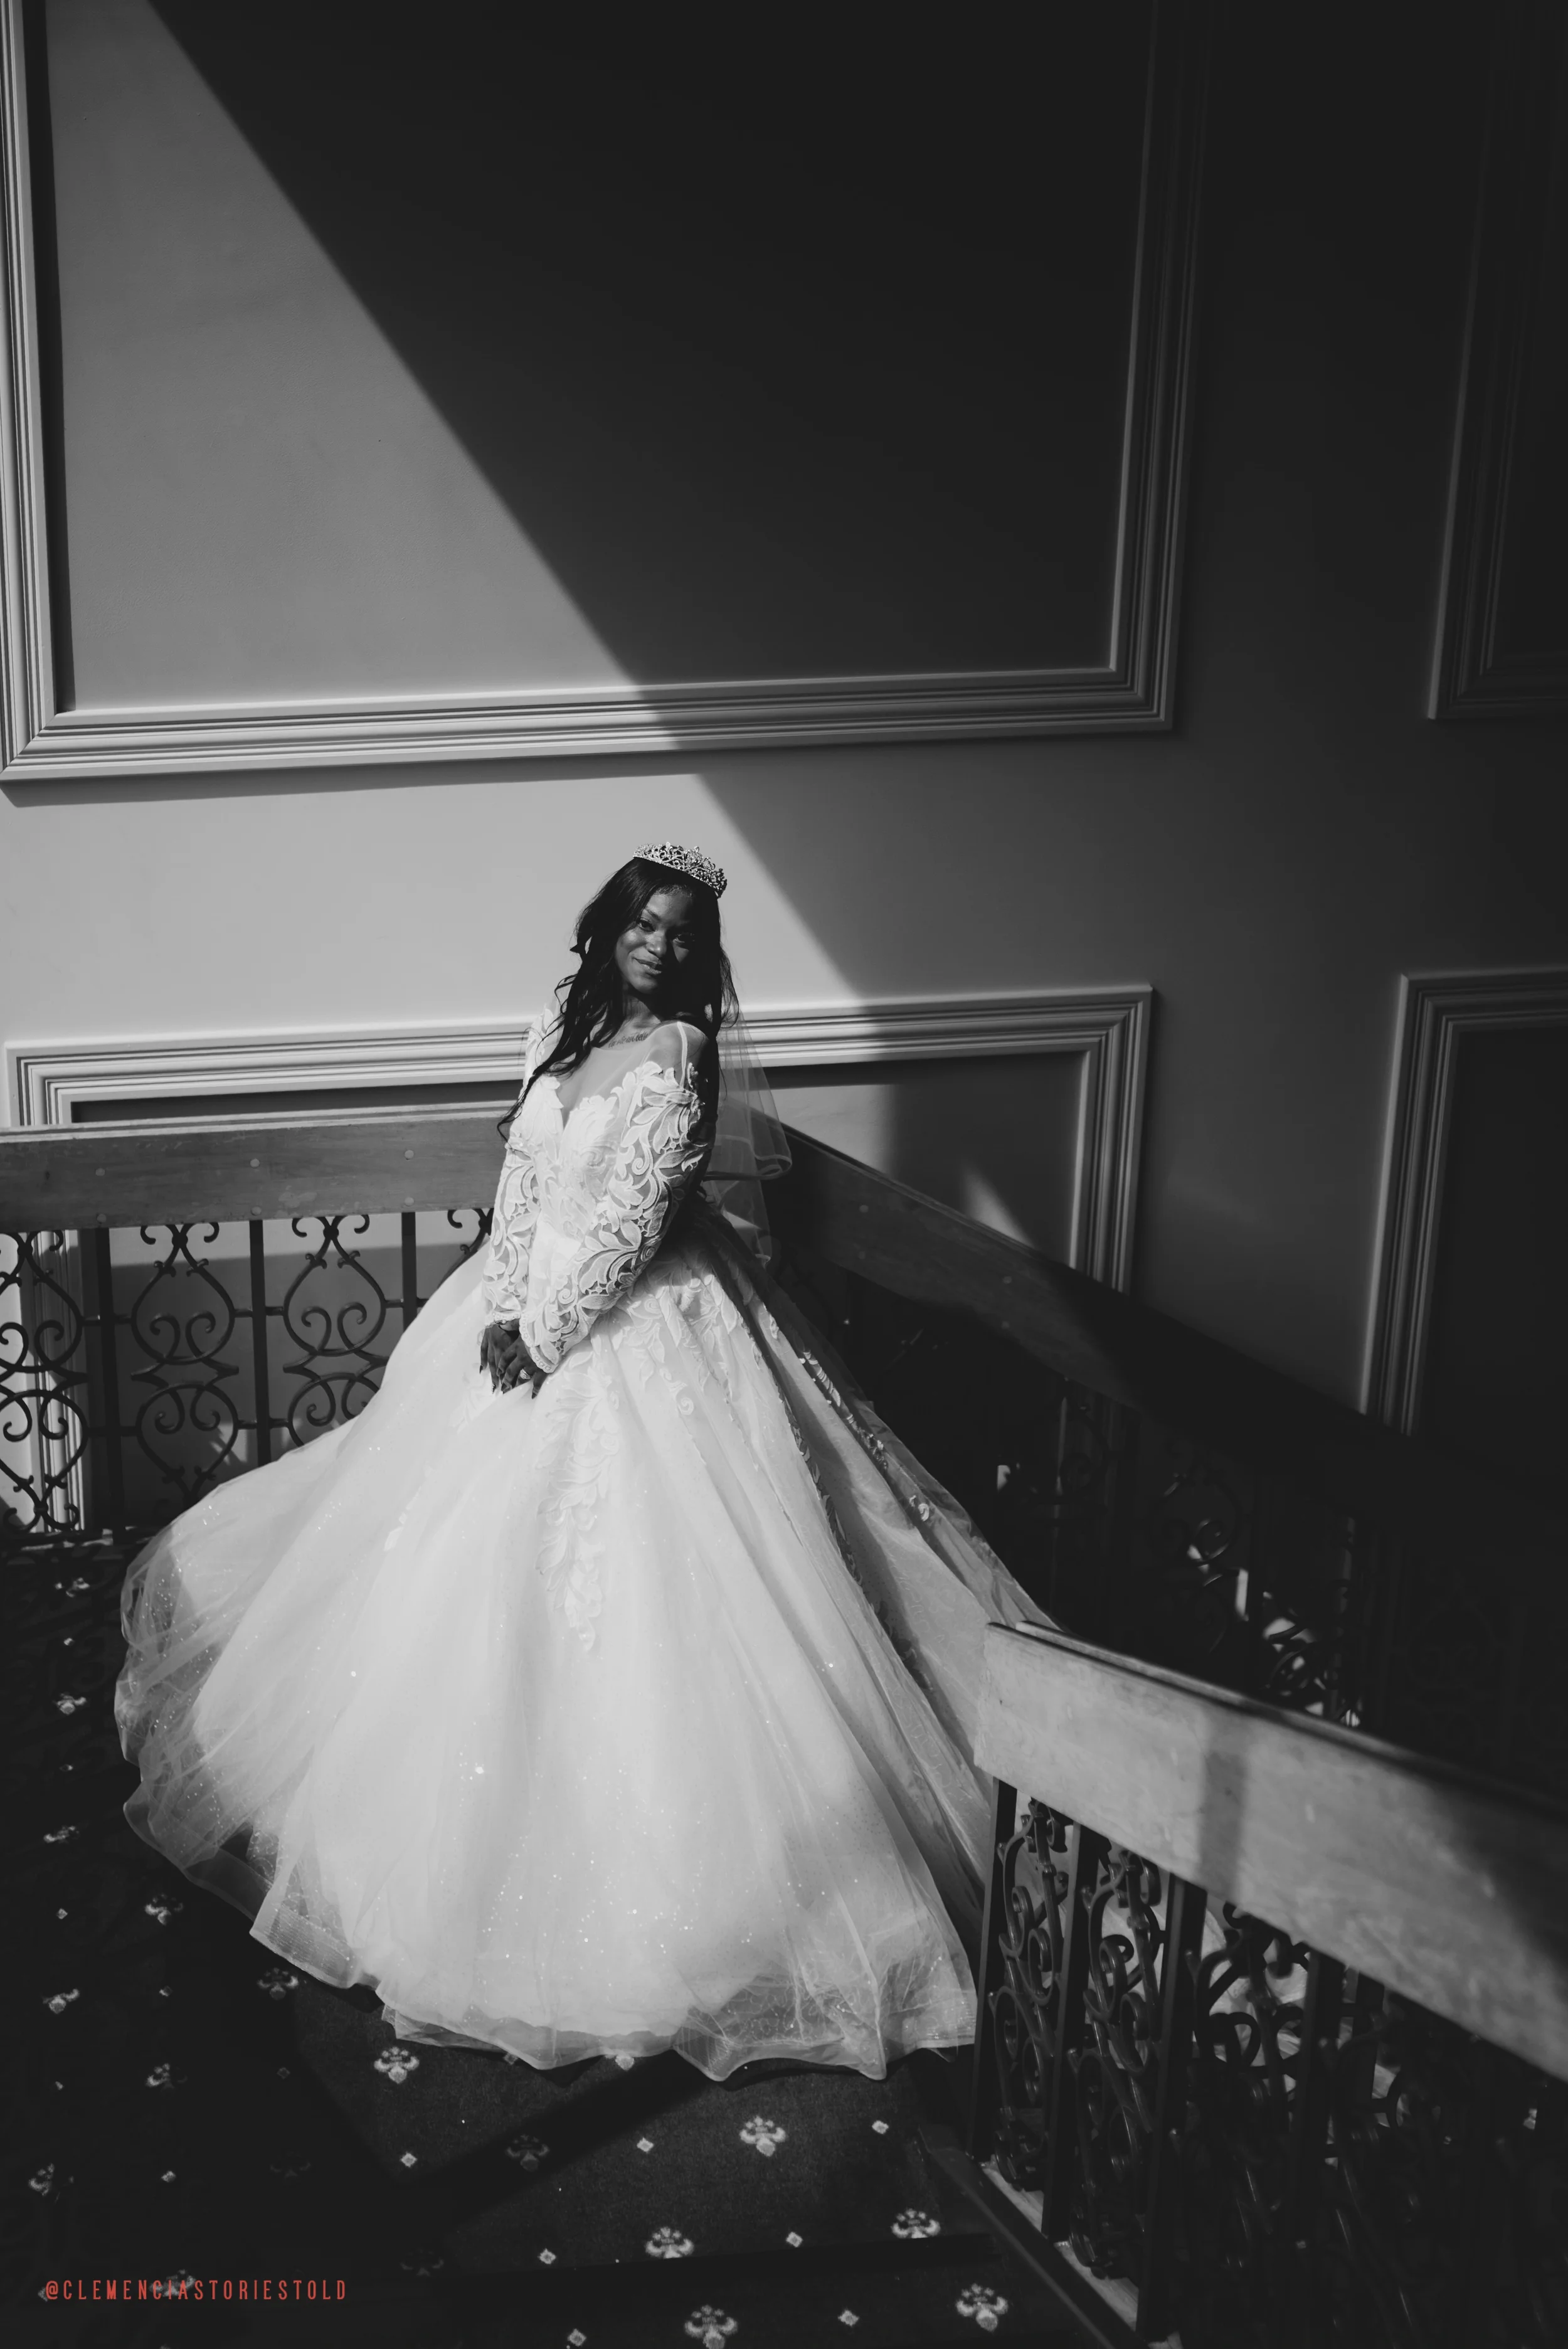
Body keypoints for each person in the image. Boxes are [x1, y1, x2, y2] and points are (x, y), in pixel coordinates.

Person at [115, 846, 1049, 2082]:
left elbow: (636, 1218)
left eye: (681, 934)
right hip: (512, 1308)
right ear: (609, 928)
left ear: (701, 956)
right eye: (643, 924)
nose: (659, 946)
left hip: (636, 1329)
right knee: (442, 1567)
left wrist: (548, 1332)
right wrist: (504, 1301)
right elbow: (520, 1180)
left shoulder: (681, 1058)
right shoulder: (559, 1024)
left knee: (666, 1592)